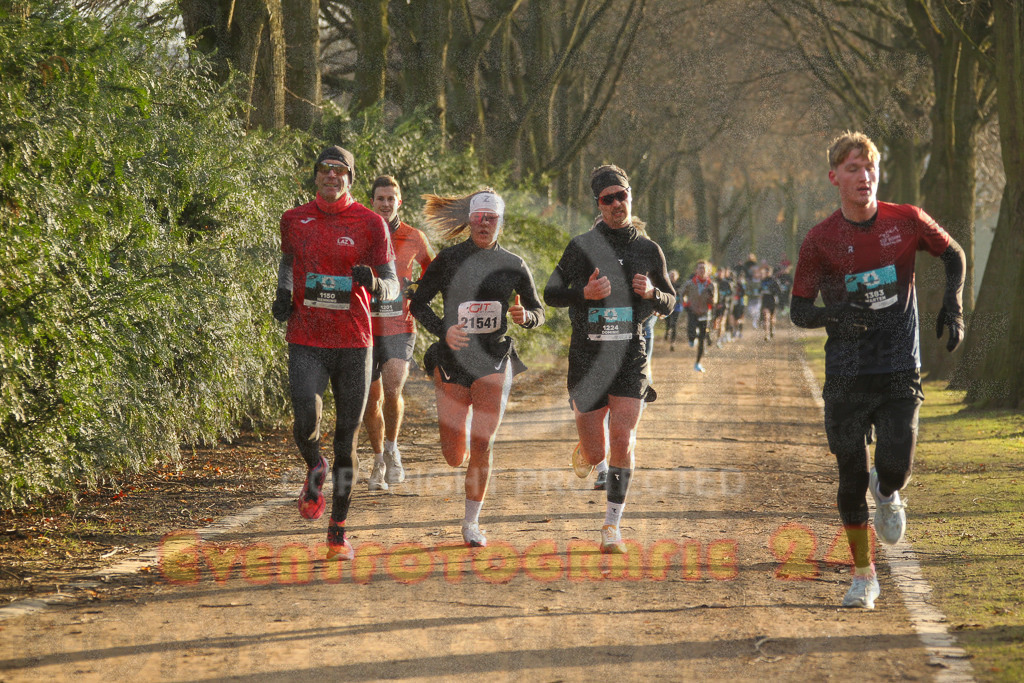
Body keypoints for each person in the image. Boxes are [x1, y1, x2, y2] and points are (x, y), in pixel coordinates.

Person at [790, 131, 965, 609]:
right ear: (834, 178)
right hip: (846, 372)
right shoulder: (820, 240)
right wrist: (835, 316)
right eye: (853, 168)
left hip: (898, 367)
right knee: (849, 473)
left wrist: (954, 303)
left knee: (894, 467)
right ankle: (864, 576)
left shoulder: (905, 221)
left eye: (869, 168)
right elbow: (800, 310)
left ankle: (887, 492)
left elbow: (954, 256)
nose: (863, 176)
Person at [272, 146, 399, 561]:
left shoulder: (371, 223)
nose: (331, 176)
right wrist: (283, 292)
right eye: (324, 170)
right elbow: (288, 262)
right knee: (305, 416)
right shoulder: (294, 219)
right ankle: (314, 465)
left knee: (347, 438)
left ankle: (338, 532)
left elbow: (393, 283)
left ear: (350, 178)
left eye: (339, 171)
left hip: (353, 342)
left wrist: (376, 285)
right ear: (315, 177)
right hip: (306, 336)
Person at [544, 164, 675, 554]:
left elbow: (670, 302)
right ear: (598, 204)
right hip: (587, 356)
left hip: (629, 353)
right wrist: (585, 293)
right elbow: (550, 294)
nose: (617, 204)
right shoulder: (581, 246)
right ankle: (588, 454)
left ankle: (612, 526)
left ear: (630, 198)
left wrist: (652, 292)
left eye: (622, 196)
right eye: (608, 199)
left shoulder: (648, 249)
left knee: (623, 437)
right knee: (596, 449)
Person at [409, 188, 544, 548]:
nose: (485, 224)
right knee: (454, 455)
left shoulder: (514, 264)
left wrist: (526, 316)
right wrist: (444, 330)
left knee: (483, 441)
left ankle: (471, 523)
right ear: (469, 220)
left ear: (501, 222)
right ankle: (462, 441)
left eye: (492, 218)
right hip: (453, 359)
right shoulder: (448, 259)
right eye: (479, 217)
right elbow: (418, 304)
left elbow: (538, 311)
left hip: (493, 359)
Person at [361, 176, 434, 492]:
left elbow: (433, 270)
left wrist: (416, 290)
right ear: (372, 202)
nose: (386, 204)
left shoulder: (414, 236)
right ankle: (378, 461)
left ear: (399, 202)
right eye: (381, 199)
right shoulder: (360, 233)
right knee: (369, 399)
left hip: (400, 326)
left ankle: (392, 449)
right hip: (363, 327)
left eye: (392, 198)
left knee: (392, 389)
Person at [681, 260, 717, 372]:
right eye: (700, 268)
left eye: (704, 268)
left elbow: (715, 301)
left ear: (708, 271)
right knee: (691, 333)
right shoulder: (690, 283)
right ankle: (692, 338)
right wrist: (685, 305)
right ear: (696, 270)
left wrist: (711, 298)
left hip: (705, 313)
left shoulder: (711, 285)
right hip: (692, 311)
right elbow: (682, 294)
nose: (702, 270)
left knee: (702, 339)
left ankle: (698, 363)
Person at [758, 264, 784, 341]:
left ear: (770, 272)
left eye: (768, 272)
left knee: (772, 318)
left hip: (772, 301)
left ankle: (772, 328)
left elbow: (779, 292)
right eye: (765, 272)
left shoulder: (774, 281)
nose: (766, 273)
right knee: (766, 317)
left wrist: (780, 303)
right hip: (765, 301)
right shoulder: (762, 281)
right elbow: (759, 290)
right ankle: (766, 335)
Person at [663, 269, 683, 351]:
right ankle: (667, 331)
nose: (672, 277)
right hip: (667, 307)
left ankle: (672, 343)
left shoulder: (679, 285)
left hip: (677, 307)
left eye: (674, 275)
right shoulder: (666, 285)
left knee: (674, 324)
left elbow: (682, 295)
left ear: (677, 277)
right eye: (671, 275)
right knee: (668, 323)